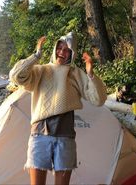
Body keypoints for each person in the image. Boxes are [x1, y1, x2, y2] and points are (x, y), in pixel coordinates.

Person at [9, 32, 107, 185]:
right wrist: (36, 55)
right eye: (59, 48)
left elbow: (99, 100)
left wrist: (90, 74)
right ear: (54, 49)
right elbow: (16, 76)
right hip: (39, 135)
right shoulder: (41, 70)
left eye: (66, 49)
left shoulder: (75, 74)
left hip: (65, 137)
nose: (62, 52)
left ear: (72, 53)